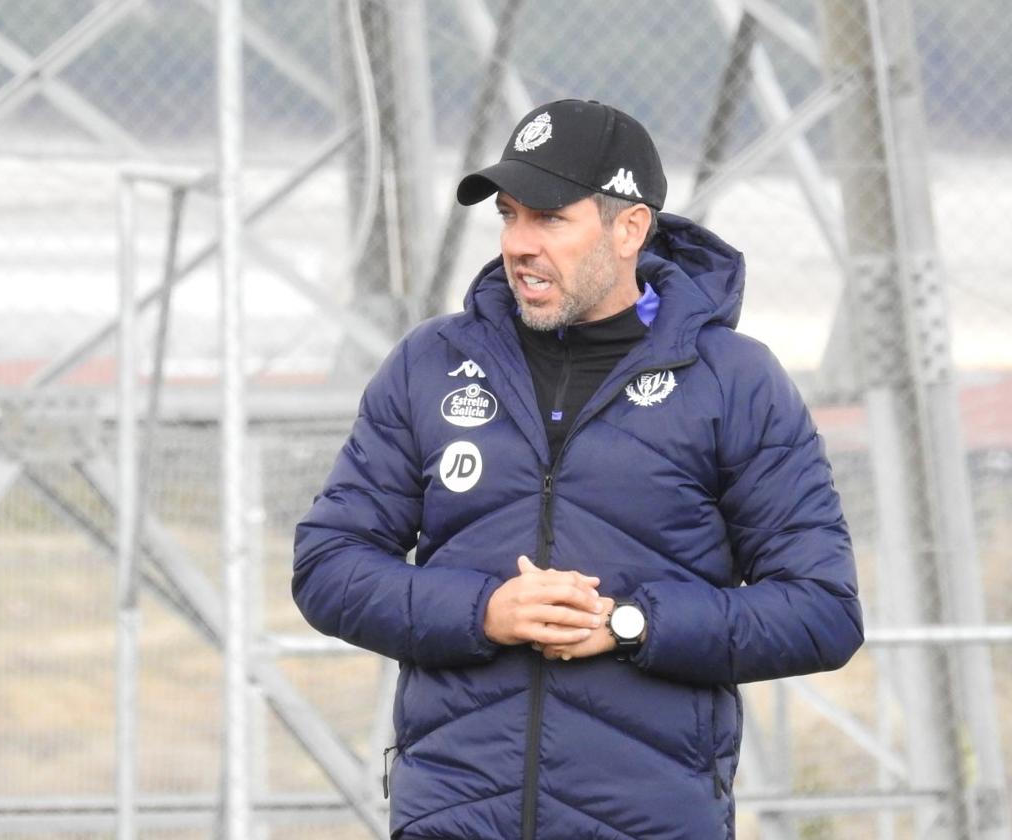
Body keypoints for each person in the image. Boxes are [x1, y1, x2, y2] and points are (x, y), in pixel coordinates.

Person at [293, 99, 863, 840]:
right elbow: (327, 566)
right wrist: (485, 613)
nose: (519, 244)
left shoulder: (737, 380)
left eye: (550, 219)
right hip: (454, 819)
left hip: (651, 822)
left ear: (629, 228)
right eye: (508, 216)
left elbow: (822, 611)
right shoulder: (427, 363)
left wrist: (632, 625)